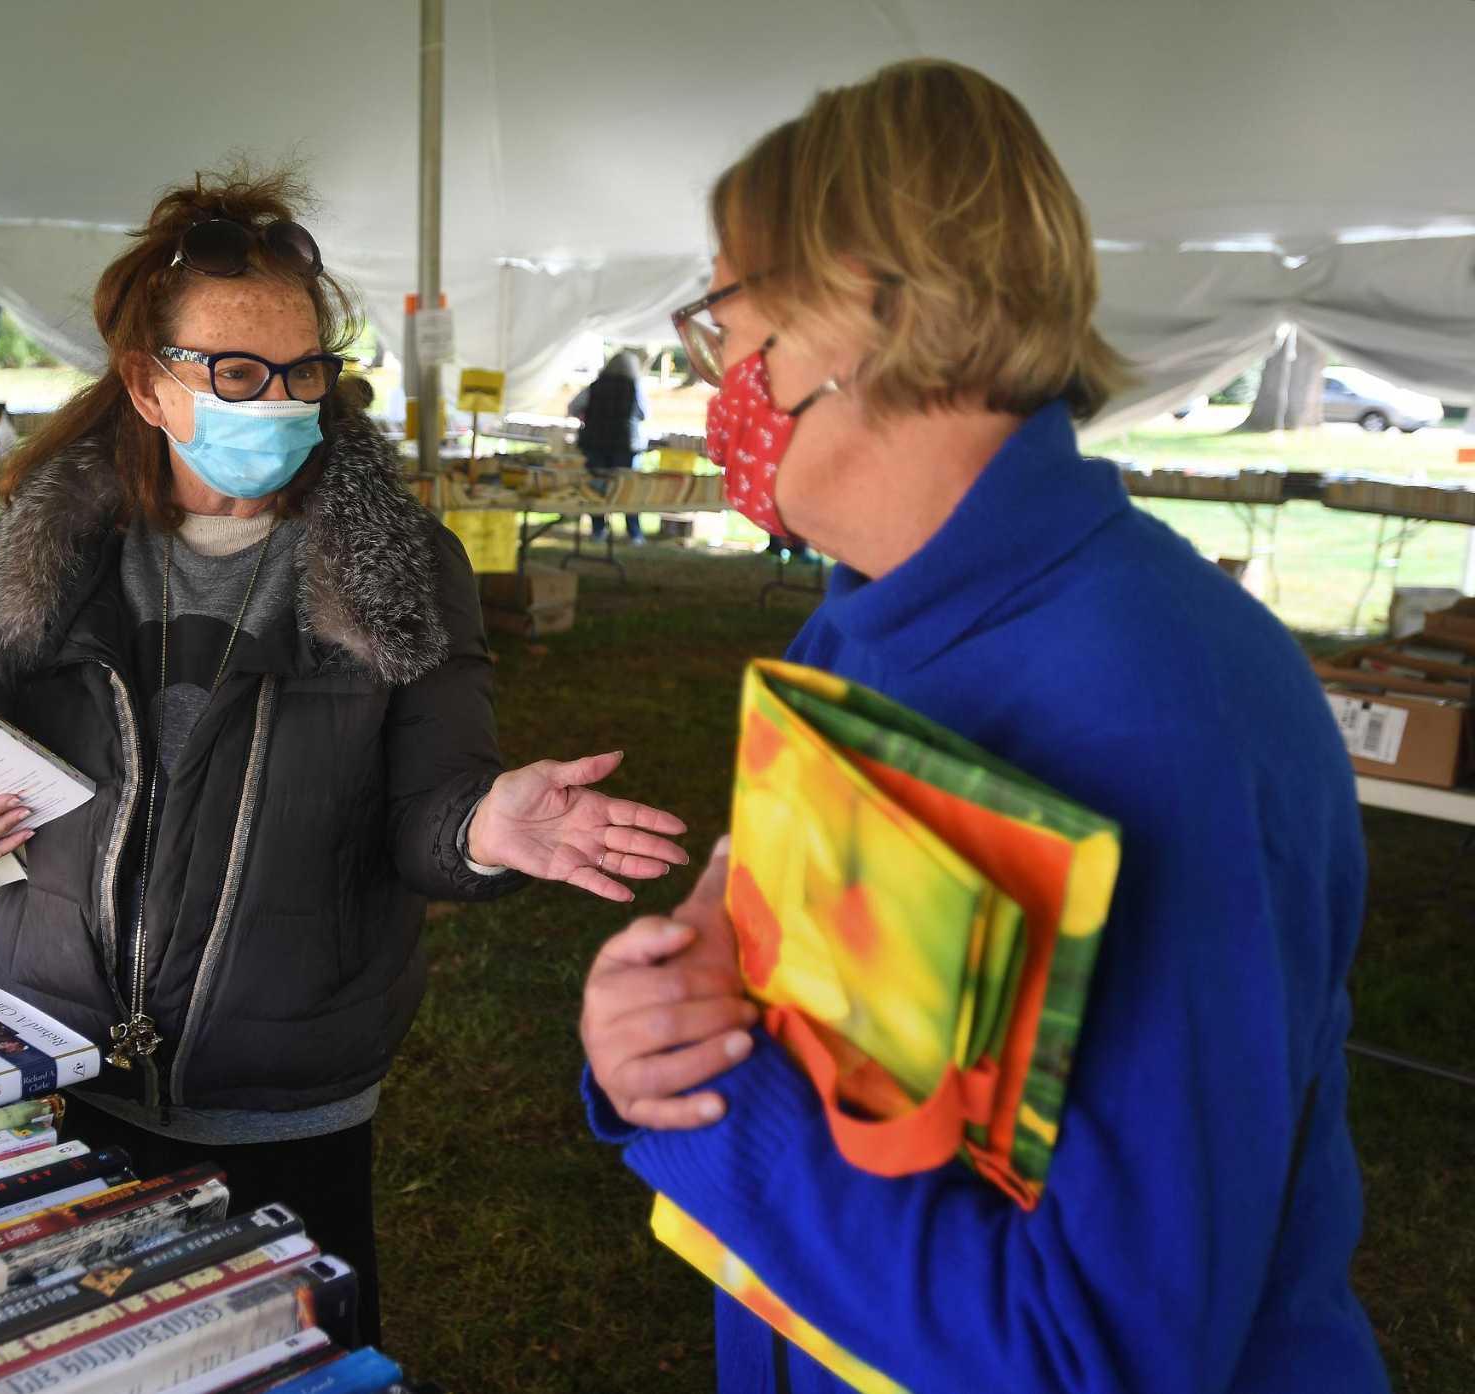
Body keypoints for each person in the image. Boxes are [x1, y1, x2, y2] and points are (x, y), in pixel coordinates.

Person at [578, 60, 1388, 1394]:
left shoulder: (1169, 711)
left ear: (869, 307)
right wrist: (662, 1041)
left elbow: (1099, 1358)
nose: (713, 362)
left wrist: (727, 1125)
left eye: (727, 305)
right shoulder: (864, 622)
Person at [0, 168, 689, 1345]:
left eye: (304, 371)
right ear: (149, 386)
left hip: (283, 1098)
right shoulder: (44, 559)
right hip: (55, 1065)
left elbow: (428, 803)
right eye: (238, 373)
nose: (278, 401)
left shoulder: (394, 565)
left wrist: (481, 826)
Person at [569, 350, 650, 544]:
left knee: (596, 487)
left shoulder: (595, 387)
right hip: (623, 444)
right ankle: (634, 533)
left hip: (594, 442)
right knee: (626, 488)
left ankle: (598, 530)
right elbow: (643, 413)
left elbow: (573, 407)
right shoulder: (634, 388)